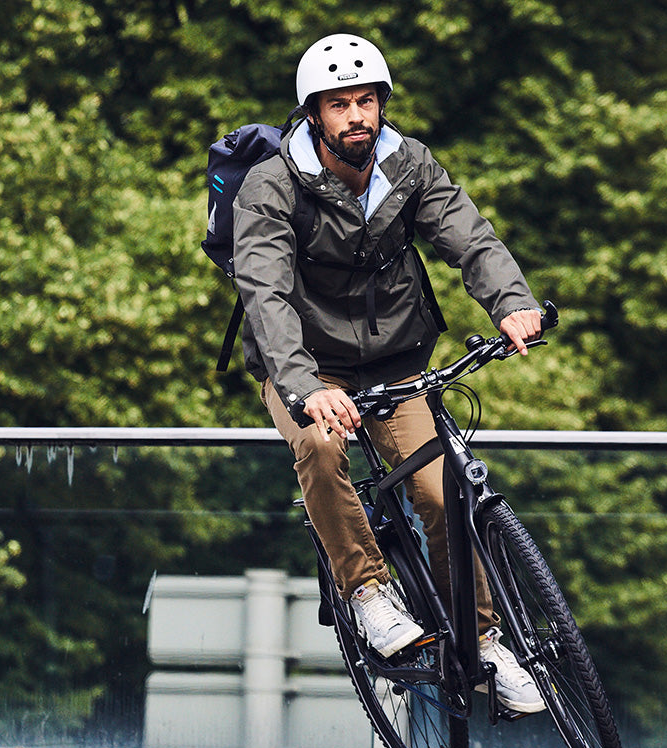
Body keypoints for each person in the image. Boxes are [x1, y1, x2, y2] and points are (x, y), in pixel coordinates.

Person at [233, 33, 545, 713]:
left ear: (381, 104)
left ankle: (485, 641)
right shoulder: (271, 185)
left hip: (399, 359)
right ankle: (368, 592)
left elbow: (469, 236)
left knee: (440, 493)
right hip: (307, 364)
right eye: (339, 104)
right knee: (319, 447)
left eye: (366, 100)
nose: (357, 116)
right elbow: (266, 294)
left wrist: (512, 301)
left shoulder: (408, 165)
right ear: (314, 114)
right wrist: (306, 387)